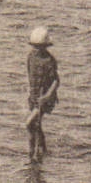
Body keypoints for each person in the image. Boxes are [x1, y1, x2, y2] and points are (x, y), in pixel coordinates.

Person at [26, 26, 60, 162]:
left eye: (40, 46)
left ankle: (32, 154)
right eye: (35, 46)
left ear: (45, 46)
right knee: (37, 125)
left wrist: (47, 96)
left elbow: (56, 81)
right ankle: (42, 150)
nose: (37, 49)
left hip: (45, 98)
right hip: (34, 96)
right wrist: (30, 93)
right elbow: (30, 75)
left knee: (29, 124)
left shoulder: (49, 60)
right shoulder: (30, 57)